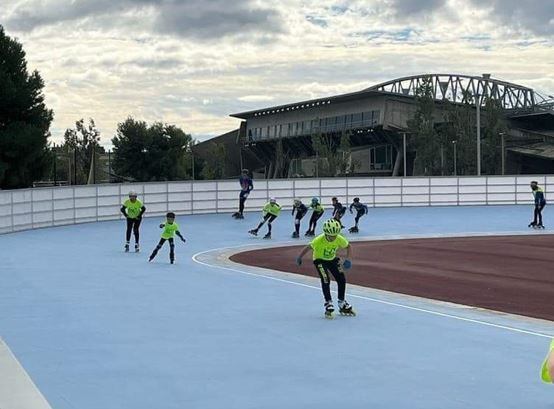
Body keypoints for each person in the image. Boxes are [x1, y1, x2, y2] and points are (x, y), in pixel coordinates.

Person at [296, 219, 355, 318]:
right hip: (319, 260)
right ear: (326, 233)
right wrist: (300, 257)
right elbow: (308, 247)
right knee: (325, 279)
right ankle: (328, 303)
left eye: (335, 235)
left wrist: (348, 259)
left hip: (332, 259)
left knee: (341, 278)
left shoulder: (339, 238)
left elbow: (348, 246)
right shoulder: (319, 240)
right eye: (331, 236)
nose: (333, 238)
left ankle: (341, 302)